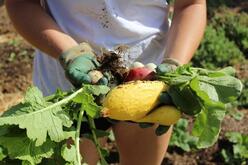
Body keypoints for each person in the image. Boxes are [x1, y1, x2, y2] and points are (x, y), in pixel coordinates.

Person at [5, 0, 206, 164]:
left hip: (147, 81)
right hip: (68, 86)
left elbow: (191, 4)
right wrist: (71, 53)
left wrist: (174, 64)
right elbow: (21, 3)